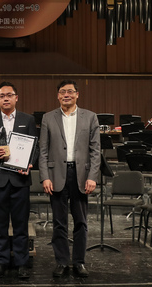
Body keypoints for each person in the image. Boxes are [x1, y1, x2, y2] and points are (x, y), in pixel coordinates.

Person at [38, 79, 101, 278]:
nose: (67, 95)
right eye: (63, 92)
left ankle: (79, 262)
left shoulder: (90, 117)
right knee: (59, 222)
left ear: (77, 94)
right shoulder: (48, 118)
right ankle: (62, 261)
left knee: (81, 221)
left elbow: (95, 151)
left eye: (71, 91)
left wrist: (92, 177)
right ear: (58, 95)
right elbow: (43, 151)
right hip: (56, 174)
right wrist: (45, 177)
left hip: (81, 175)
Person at [0, 81, 38, 280]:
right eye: (2, 96)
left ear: (16, 98)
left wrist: (30, 162)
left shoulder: (28, 120)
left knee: (21, 224)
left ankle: (21, 263)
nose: (6, 98)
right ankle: (1, 262)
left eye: (9, 95)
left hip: (20, 179)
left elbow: (35, 147)